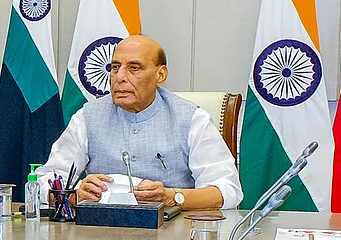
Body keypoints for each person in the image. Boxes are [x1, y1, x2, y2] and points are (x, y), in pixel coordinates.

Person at [37, 35, 242, 210]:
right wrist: (74, 196)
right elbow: (44, 181)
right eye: (115, 67)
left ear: (160, 75)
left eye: (134, 68)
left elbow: (227, 190)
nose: (120, 77)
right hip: (99, 237)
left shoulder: (191, 119)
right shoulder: (88, 117)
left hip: (172, 239)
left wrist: (172, 197)